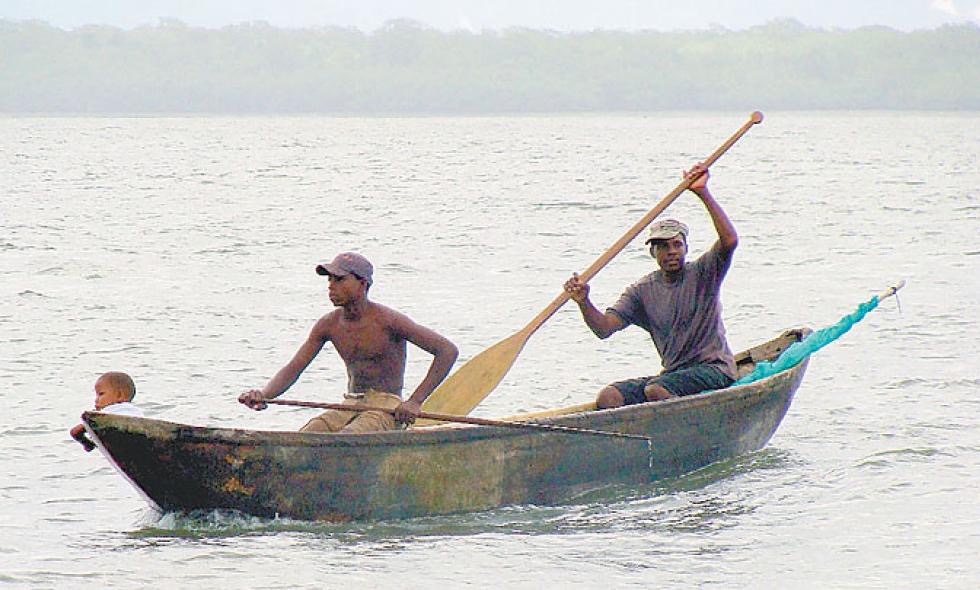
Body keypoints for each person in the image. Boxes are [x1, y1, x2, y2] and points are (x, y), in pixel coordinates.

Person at [563, 163, 738, 409]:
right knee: (609, 397)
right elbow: (603, 328)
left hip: (714, 369)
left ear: (686, 248)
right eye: (663, 246)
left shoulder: (704, 272)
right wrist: (584, 301)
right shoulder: (642, 291)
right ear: (653, 252)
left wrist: (702, 192)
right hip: (674, 374)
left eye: (677, 245)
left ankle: (683, 426)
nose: (671, 251)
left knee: (656, 390)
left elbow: (729, 240)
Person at [239, 251, 459, 432]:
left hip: (386, 408)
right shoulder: (328, 324)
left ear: (362, 284)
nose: (331, 286)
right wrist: (264, 395)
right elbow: (293, 368)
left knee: (347, 439)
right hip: (349, 404)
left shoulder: (389, 320)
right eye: (329, 280)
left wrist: (415, 401)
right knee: (308, 434)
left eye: (339, 279)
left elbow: (447, 351)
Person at [70, 371, 144, 452]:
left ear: (119, 395)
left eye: (101, 394)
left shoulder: (108, 411)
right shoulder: (136, 411)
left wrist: (87, 443)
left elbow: (75, 431)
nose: (96, 400)